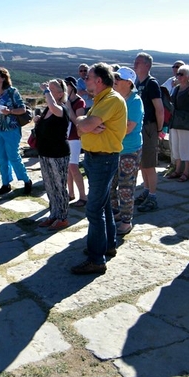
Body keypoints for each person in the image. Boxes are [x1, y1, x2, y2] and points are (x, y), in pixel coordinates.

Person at [70, 63, 127, 275]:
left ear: (99, 81)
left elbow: (82, 126)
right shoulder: (101, 101)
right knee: (102, 206)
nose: (85, 80)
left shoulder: (110, 100)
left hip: (103, 160)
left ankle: (96, 259)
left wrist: (85, 124)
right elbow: (81, 122)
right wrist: (86, 122)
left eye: (89, 77)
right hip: (97, 159)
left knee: (93, 209)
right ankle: (108, 245)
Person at [0, 67, 33, 195]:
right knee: (1, 158)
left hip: (11, 129)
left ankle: (26, 180)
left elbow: (22, 109)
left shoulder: (13, 92)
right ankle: (5, 183)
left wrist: (10, 111)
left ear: (3, 78)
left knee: (13, 156)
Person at [110, 67, 143, 236]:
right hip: (114, 148)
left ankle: (126, 220)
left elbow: (129, 127)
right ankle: (116, 212)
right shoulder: (115, 99)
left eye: (118, 78)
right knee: (111, 184)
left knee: (126, 186)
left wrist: (107, 130)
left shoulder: (135, 101)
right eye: (114, 77)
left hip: (129, 150)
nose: (114, 80)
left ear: (129, 83)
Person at [34, 79, 70, 230]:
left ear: (60, 94)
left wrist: (46, 91)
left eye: (51, 89)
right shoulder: (47, 110)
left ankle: (62, 217)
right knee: (49, 186)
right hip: (45, 153)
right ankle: (53, 214)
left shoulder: (60, 109)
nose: (47, 90)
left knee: (59, 186)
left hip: (58, 154)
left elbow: (53, 107)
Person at [133, 52, 165, 212]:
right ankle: (146, 190)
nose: (135, 64)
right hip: (140, 127)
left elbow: (159, 109)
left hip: (149, 126)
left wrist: (159, 129)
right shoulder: (137, 81)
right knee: (142, 163)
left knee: (150, 163)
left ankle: (153, 196)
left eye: (138, 62)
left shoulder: (152, 83)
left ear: (147, 65)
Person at [165, 64, 189, 182]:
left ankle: (186, 171)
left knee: (186, 147)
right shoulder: (176, 88)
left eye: (181, 74)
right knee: (176, 146)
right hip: (176, 121)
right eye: (178, 74)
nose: (178, 76)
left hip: (187, 123)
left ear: (188, 76)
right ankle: (177, 170)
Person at [64, 76, 88, 206]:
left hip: (75, 137)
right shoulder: (64, 101)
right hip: (66, 136)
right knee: (68, 167)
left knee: (73, 166)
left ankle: (83, 196)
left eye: (66, 85)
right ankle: (70, 193)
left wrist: (68, 106)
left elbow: (78, 121)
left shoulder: (80, 102)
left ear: (72, 87)